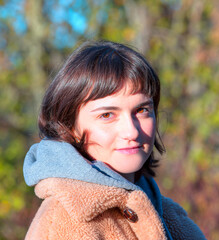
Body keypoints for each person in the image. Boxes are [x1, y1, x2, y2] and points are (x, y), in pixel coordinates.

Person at [23, 40, 206, 240]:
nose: (131, 131)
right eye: (107, 115)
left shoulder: (172, 218)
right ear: (70, 126)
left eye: (142, 110)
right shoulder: (64, 222)